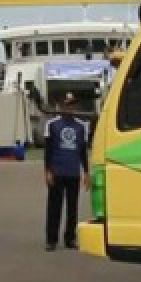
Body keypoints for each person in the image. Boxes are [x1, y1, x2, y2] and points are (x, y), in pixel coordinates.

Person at [44, 93, 91, 251]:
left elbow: (83, 151)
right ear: (62, 106)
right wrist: (48, 171)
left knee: (73, 208)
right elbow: (48, 151)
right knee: (54, 207)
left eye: (73, 104)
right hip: (57, 171)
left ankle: (70, 238)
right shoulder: (52, 124)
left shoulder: (80, 126)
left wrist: (86, 172)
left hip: (73, 173)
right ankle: (51, 240)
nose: (70, 107)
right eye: (68, 104)